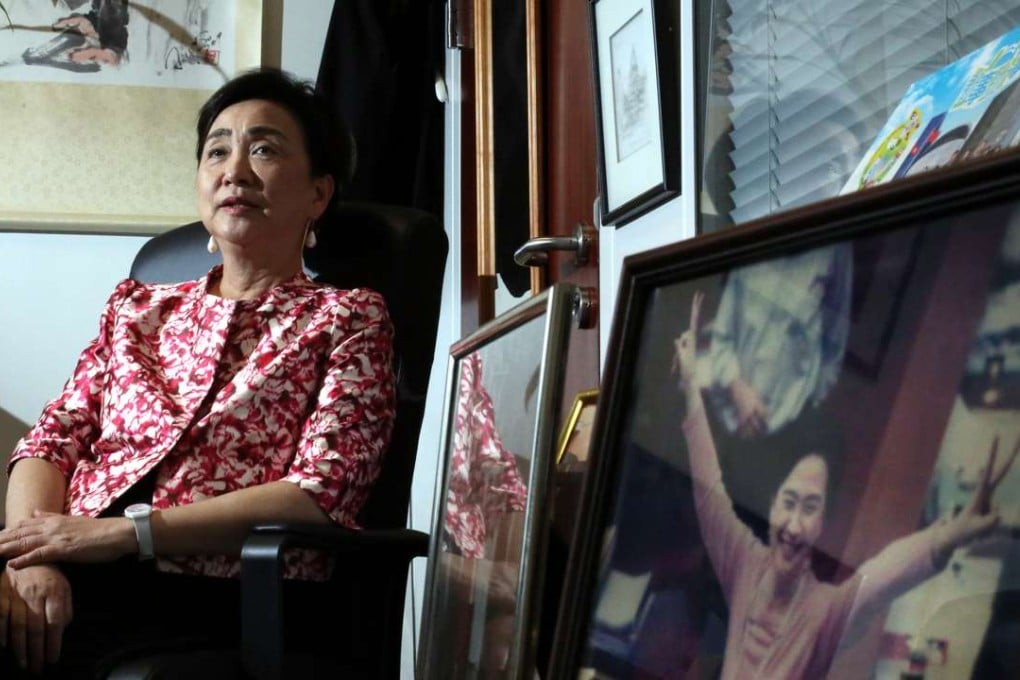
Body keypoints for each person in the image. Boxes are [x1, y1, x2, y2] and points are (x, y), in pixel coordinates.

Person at [0, 68, 395, 677]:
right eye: (217, 151)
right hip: (74, 565)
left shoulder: (347, 317)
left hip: (223, 591)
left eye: (263, 148)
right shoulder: (136, 308)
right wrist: (33, 558)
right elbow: (52, 440)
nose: (234, 169)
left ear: (318, 194)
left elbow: (323, 492)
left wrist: (126, 535)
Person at [674, 292, 1017, 679]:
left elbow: (883, 575)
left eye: (810, 507)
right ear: (771, 504)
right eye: (789, 502)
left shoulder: (826, 611)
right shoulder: (743, 562)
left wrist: (950, 533)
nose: (793, 525)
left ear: (822, 524)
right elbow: (709, 490)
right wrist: (690, 383)